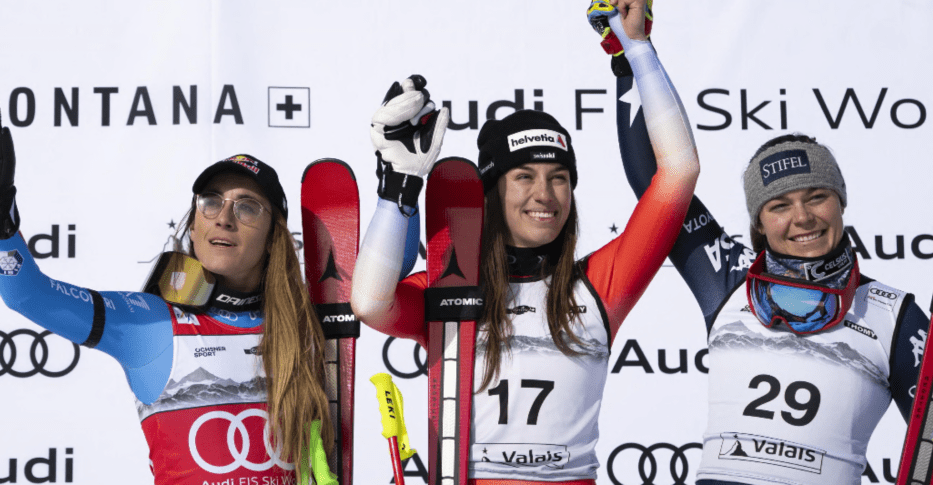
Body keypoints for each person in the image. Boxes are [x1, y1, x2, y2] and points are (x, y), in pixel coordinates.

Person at [350, 1, 699, 482]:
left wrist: (637, 48)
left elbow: (679, 171)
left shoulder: (598, 286)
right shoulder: (450, 291)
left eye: (559, 177)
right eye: (524, 176)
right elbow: (370, 303)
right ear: (492, 192)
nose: (545, 194)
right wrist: (400, 188)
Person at [595, 16, 931, 484]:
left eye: (817, 196)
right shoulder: (726, 279)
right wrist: (631, 51)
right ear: (758, 221)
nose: (803, 218)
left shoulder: (895, 315)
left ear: (841, 200)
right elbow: (654, 178)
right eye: (779, 206)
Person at [0, 116, 341, 484]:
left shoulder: (303, 330)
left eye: (247, 207)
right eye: (210, 202)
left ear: (274, 237)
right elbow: (29, 294)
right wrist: (3, 219)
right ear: (193, 226)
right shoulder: (152, 323)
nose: (224, 218)